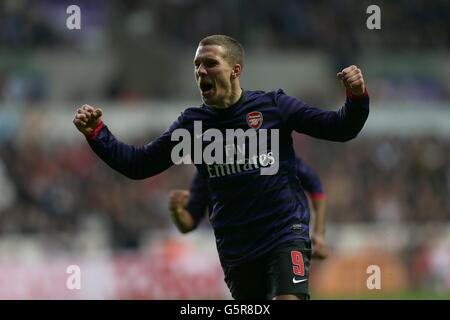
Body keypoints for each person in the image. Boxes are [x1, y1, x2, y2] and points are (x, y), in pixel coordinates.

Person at [73, 34, 369, 300]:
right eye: (196, 65)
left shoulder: (273, 106)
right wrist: (97, 133)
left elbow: (340, 128)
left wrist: (356, 97)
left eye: (210, 63)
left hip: (284, 233)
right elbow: (139, 165)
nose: (201, 71)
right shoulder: (192, 125)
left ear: (235, 70)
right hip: (236, 249)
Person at [169, 156, 329, 260]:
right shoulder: (210, 171)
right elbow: (188, 223)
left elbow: (314, 184)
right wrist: (176, 211)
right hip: (241, 251)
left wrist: (319, 232)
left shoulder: (266, 156)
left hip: (281, 237)